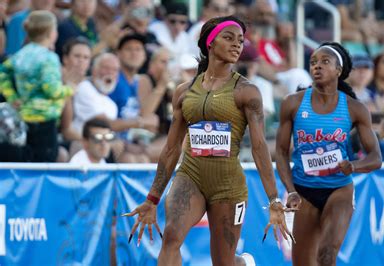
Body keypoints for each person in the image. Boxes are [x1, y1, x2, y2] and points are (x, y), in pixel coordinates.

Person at [123, 16, 292, 265]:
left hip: (228, 185)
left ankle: (243, 262)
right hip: (190, 175)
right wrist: (152, 199)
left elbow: (258, 148)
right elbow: (171, 148)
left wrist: (274, 199)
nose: (237, 45)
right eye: (229, 38)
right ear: (210, 43)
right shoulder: (184, 91)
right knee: (171, 237)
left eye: (241, 41)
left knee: (223, 262)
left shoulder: (247, 91)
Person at [275, 42, 382, 265]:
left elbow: (376, 158)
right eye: (313, 62)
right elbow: (281, 152)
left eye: (325, 62)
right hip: (304, 190)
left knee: (327, 254)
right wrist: (290, 190)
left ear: (338, 71)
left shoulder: (355, 108)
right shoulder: (292, 103)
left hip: (339, 189)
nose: (317, 66)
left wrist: (354, 166)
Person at [0, 10, 73, 162]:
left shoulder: (20, 54)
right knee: (43, 165)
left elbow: (2, 73)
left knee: (27, 163)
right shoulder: (49, 58)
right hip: (45, 121)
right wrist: (69, 89)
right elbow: (51, 90)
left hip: (23, 117)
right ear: (50, 33)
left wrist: (12, 96)